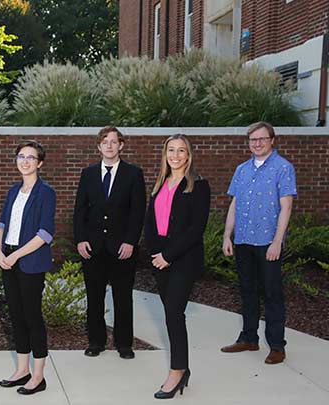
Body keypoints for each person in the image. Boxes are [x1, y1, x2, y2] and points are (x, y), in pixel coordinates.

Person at [220, 122, 296, 365]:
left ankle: (276, 346)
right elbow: (234, 203)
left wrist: (277, 242)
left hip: (267, 242)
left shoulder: (283, 168)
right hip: (243, 240)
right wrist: (226, 235)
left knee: (272, 294)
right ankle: (249, 338)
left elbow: (286, 207)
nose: (258, 143)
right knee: (247, 291)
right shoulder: (242, 170)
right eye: (253, 140)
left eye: (262, 139)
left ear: (272, 140)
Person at [144, 134, 210, 399]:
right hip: (159, 258)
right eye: (171, 150)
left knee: (174, 313)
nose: (176, 155)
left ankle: (177, 370)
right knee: (171, 313)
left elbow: (196, 229)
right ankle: (183, 369)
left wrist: (168, 255)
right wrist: (154, 253)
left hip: (183, 258)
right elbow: (149, 222)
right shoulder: (160, 183)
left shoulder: (199, 185)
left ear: (188, 155)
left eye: (181, 150)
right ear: (165, 154)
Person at [73, 125, 146, 359]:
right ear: (99, 146)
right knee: (94, 297)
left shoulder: (133, 174)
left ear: (121, 145)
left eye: (114, 142)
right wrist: (81, 239)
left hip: (122, 247)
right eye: (105, 142)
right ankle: (96, 342)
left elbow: (138, 212)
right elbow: (79, 211)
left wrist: (130, 241)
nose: (110, 146)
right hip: (92, 247)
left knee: (122, 297)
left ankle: (124, 344)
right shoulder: (88, 174)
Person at [0, 140, 56, 396]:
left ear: (39, 163)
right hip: (7, 258)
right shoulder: (13, 191)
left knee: (33, 318)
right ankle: (22, 370)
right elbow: (1, 223)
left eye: (31, 157)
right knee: (17, 317)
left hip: (29, 261)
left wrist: (16, 255)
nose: (25, 161)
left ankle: (39, 376)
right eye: (21, 156)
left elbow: (45, 233)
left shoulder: (46, 192)